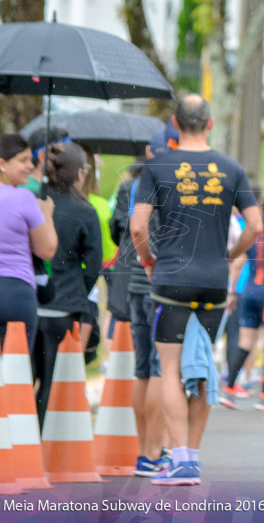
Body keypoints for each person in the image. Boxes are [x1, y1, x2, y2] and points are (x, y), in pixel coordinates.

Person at [131, 94, 261, 486]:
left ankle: (179, 457)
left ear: (175, 123)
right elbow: (254, 227)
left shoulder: (155, 169)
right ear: (210, 123)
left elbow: (138, 228)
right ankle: (195, 455)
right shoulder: (232, 168)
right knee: (202, 362)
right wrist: (230, 254)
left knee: (169, 369)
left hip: (171, 278)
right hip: (214, 281)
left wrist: (148, 259)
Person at [110, 123, 178, 476]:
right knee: (159, 370)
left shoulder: (133, 184)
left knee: (143, 370)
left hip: (135, 285)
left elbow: (121, 228)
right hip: (159, 282)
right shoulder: (173, 181)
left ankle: (144, 450)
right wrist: (152, 262)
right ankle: (155, 452)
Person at [32, 142, 103, 426]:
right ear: (79, 173)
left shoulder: (35, 201)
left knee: (24, 378)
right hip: (65, 307)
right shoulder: (84, 211)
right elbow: (94, 264)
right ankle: (43, 444)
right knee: (53, 380)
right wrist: (78, 291)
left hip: (31, 302)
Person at [0, 135, 57, 348]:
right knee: (12, 374)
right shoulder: (23, 198)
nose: (30, 166)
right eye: (23, 159)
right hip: (12, 295)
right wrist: (46, 214)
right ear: (1, 163)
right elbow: (46, 250)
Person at [223, 196, 264, 409]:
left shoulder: (251, 234)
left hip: (247, 292)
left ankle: (229, 389)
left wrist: (231, 293)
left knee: (245, 343)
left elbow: (238, 264)